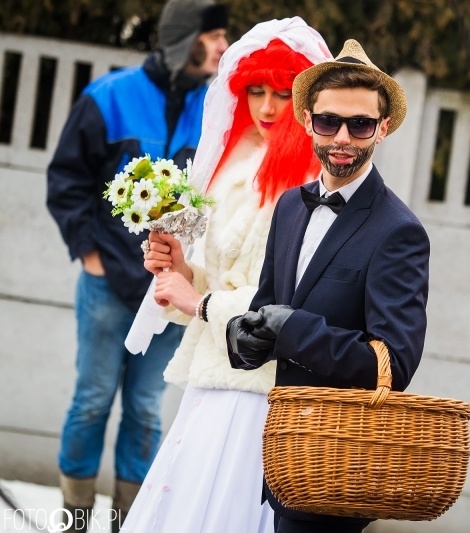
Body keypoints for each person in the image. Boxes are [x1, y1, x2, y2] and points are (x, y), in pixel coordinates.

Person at [119, 18, 332, 533]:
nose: (265, 107)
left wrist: (195, 300)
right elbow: (211, 279)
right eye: (254, 90)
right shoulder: (234, 161)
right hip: (213, 373)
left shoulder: (312, 181)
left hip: (262, 384)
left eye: (282, 93)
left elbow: (288, 301)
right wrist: (175, 265)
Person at [226, 39, 431, 532]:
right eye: (329, 121)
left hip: (339, 470)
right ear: (307, 121)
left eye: (359, 124)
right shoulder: (290, 207)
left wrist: (295, 329)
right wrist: (243, 335)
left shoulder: (399, 231)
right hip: (280, 457)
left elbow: (394, 365)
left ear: (382, 128)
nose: (342, 136)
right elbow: (267, 308)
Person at [45, 0, 228, 530]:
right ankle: (74, 520)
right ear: (185, 36)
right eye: (213, 34)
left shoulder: (217, 111)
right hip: (105, 288)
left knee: (146, 410)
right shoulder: (110, 96)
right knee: (91, 401)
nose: (222, 45)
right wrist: (91, 255)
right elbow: (67, 180)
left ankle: (129, 521)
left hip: (169, 293)